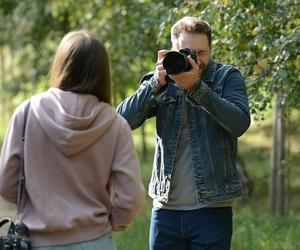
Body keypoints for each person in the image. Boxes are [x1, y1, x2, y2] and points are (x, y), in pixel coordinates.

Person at [0, 30, 144, 249]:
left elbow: (7, 184)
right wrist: (112, 223)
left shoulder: (27, 113)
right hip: (95, 242)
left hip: (37, 242)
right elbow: (131, 196)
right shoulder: (115, 124)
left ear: (60, 65)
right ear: (103, 73)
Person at [117, 16, 251, 250]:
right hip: (165, 210)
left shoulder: (226, 77)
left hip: (212, 207)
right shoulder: (160, 81)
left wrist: (197, 88)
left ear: (211, 49)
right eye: (187, 52)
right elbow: (120, 122)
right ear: (172, 51)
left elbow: (239, 123)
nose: (195, 60)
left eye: (202, 53)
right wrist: (154, 84)